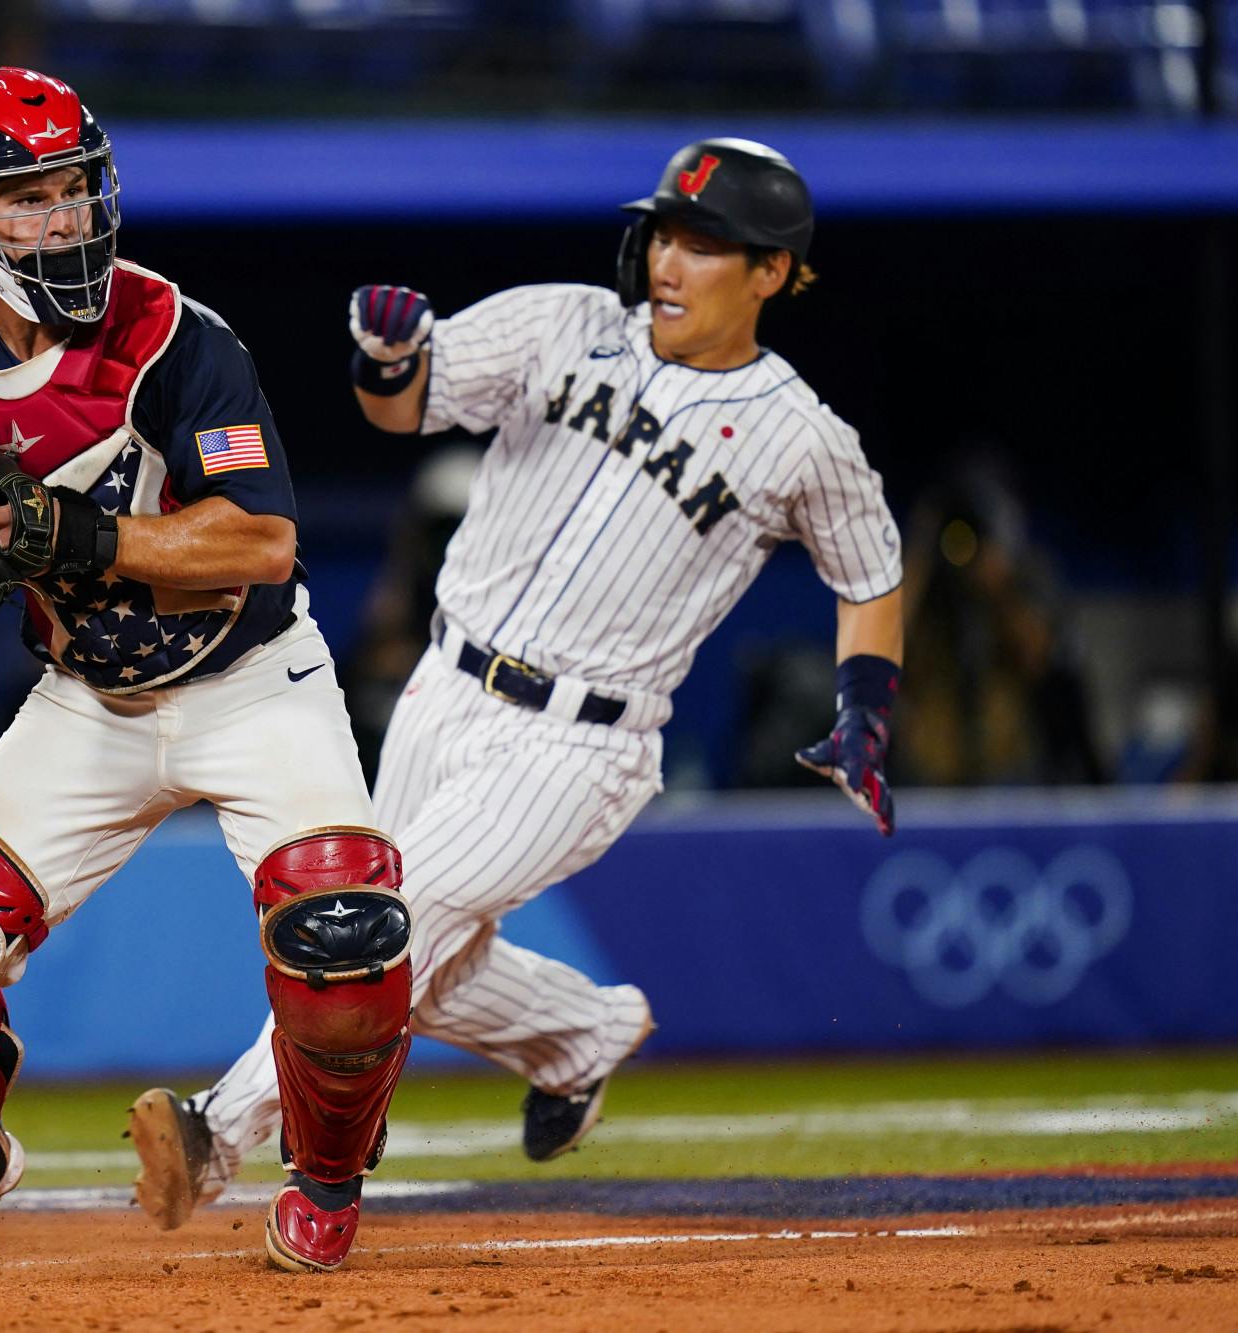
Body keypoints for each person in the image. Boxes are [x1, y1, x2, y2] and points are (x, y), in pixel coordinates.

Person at [128, 138, 906, 1226]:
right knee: (408, 959)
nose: (671, 260)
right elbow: (402, 405)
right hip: (444, 687)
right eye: (667, 233)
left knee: (380, 922)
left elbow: (870, 570)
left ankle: (219, 1133)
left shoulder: (801, 437)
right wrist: (384, 357)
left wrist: (864, 709)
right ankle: (578, 1033)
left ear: (770, 272)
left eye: (707, 244)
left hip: (581, 739)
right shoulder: (564, 322)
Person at [0, 66, 413, 1275]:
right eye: (27, 199)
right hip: (87, 694)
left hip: (251, 680)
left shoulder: (177, 340)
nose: (64, 222)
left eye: (74, 191)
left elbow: (260, 543)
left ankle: (331, 1175)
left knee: (342, 929)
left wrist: (68, 533)